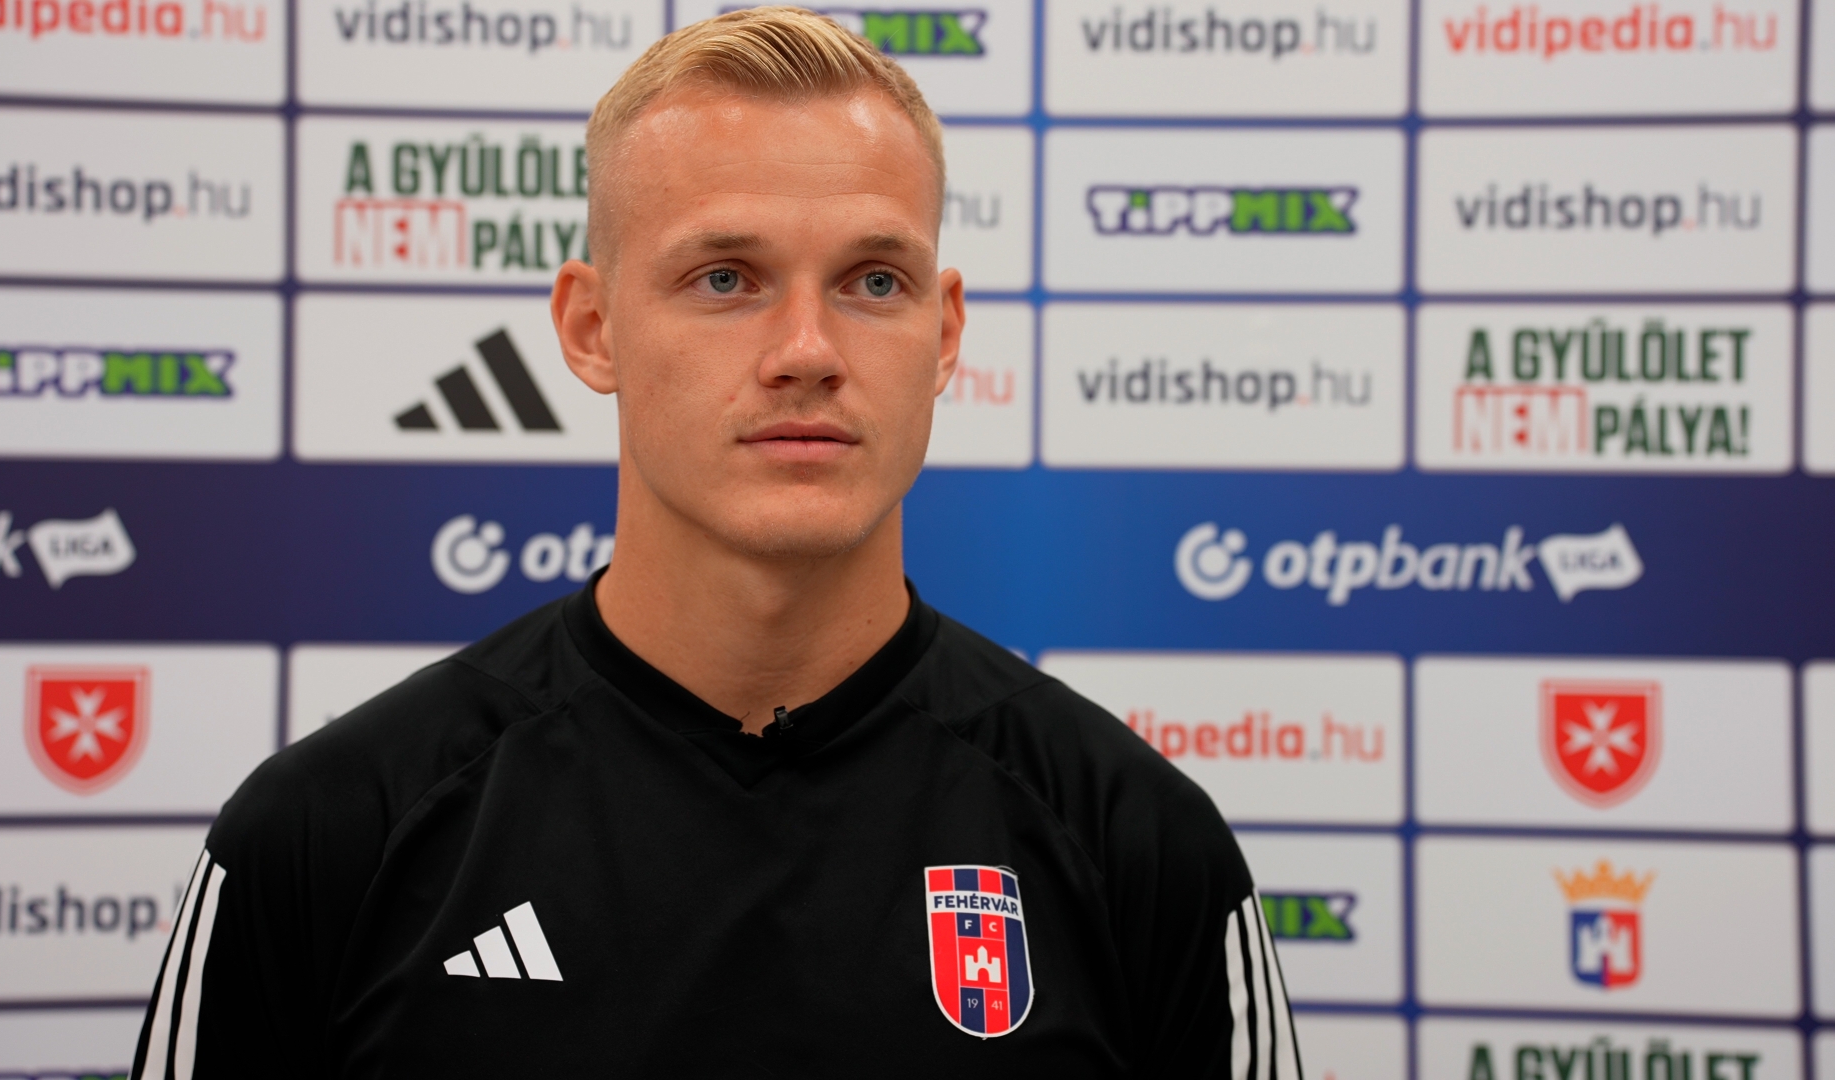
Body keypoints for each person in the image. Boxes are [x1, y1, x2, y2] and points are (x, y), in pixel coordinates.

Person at [130, 8, 1301, 1076]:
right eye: (727, 277)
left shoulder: (1138, 845)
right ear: (593, 327)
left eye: (873, 280)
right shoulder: (328, 840)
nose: (807, 351)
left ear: (943, 335)